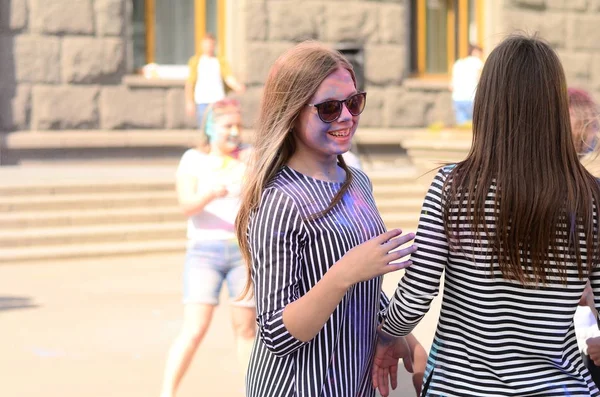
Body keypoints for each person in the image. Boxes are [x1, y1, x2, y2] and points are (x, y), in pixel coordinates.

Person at [373, 34, 600, 396]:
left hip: (460, 386)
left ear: (488, 103)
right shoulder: (590, 196)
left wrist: (386, 333)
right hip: (560, 386)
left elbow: (418, 293)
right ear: (555, 105)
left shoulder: (453, 187)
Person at [234, 41, 427, 397]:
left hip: (356, 382)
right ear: (291, 112)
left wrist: (401, 335)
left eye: (354, 102)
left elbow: (365, 286)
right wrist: (343, 273)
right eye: (328, 108)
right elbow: (276, 333)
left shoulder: (357, 182)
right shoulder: (279, 200)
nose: (346, 116)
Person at [160, 98, 255, 397]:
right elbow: (187, 205)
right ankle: (168, 392)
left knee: (246, 330)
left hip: (243, 253)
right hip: (204, 252)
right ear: (211, 128)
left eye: (238, 125)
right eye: (228, 126)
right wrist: (210, 192)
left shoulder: (250, 158)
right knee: (195, 328)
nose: (235, 132)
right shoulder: (193, 160)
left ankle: (254, 390)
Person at [185, 34, 246, 129]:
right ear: (202, 45)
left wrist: (237, 86)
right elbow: (190, 82)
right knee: (204, 128)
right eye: (206, 45)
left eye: (211, 45)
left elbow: (228, 77)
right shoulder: (196, 61)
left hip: (218, 99)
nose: (209, 47)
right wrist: (189, 102)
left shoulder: (220, 61)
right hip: (202, 100)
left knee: (218, 127)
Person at [449, 44, 484, 126]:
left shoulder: (458, 63)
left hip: (457, 98)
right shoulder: (477, 62)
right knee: (475, 126)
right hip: (472, 97)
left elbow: (451, 85)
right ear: (475, 52)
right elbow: (482, 79)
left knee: (462, 125)